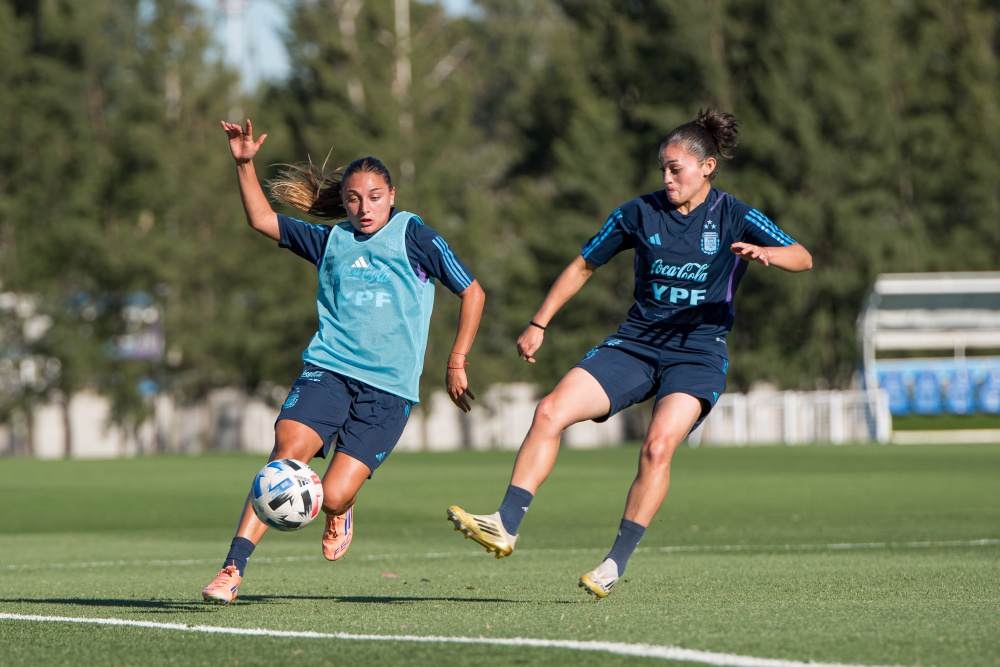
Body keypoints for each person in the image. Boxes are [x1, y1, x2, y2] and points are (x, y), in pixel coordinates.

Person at [446, 109, 811, 599]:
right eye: (662, 167)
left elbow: (802, 256)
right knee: (550, 410)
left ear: (707, 168)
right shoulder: (638, 213)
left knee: (657, 447)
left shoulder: (735, 215)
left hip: (698, 353)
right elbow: (582, 266)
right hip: (636, 345)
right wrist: (539, 323)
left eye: (675, 168)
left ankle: (614, 564)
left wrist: (769, 253)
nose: (666, 178)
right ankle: (505, 524)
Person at [202, 119, 484, 605]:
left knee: (331, 494)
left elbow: (472, 291)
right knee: (283, 457)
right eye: (354, 198)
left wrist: (456, 361)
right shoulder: (331, 241)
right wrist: (244, 164)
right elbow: (262, 220)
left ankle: (340, 508)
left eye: (374, 196)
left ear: (391, 195)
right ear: (345, 202)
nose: (364, 207)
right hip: (328, 371)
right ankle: (232, 568)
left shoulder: (412, 234)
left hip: (388, 391)